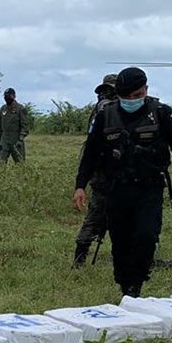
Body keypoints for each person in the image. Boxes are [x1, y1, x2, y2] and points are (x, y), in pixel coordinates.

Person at [73, 67, 172, 298]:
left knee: (146, 236)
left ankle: (136, 286)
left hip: (150, 187)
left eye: (137, 95)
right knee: (120, 242)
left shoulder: (161, 113)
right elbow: (90, 153)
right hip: (116, 188)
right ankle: (125, 287)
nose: (132, 100)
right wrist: (80, 185)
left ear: (145, 90)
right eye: (127, 96)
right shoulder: (106, 115)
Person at [73, 74, 118, 267]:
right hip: (105, 172)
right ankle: (79, 259)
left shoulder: (100, 107)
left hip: (102, 171)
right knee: (97, 215)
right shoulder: (107, 110)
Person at [0, 87, 31, 163]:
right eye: (5, 96)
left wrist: (21, 139)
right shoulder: (3, 109)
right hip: (4, 140)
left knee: (20, 164)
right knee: (0, 163)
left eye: (8, 96)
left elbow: (25, 126)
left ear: (14, 96)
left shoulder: (20, 109)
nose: (6, 98)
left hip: (16, 140)